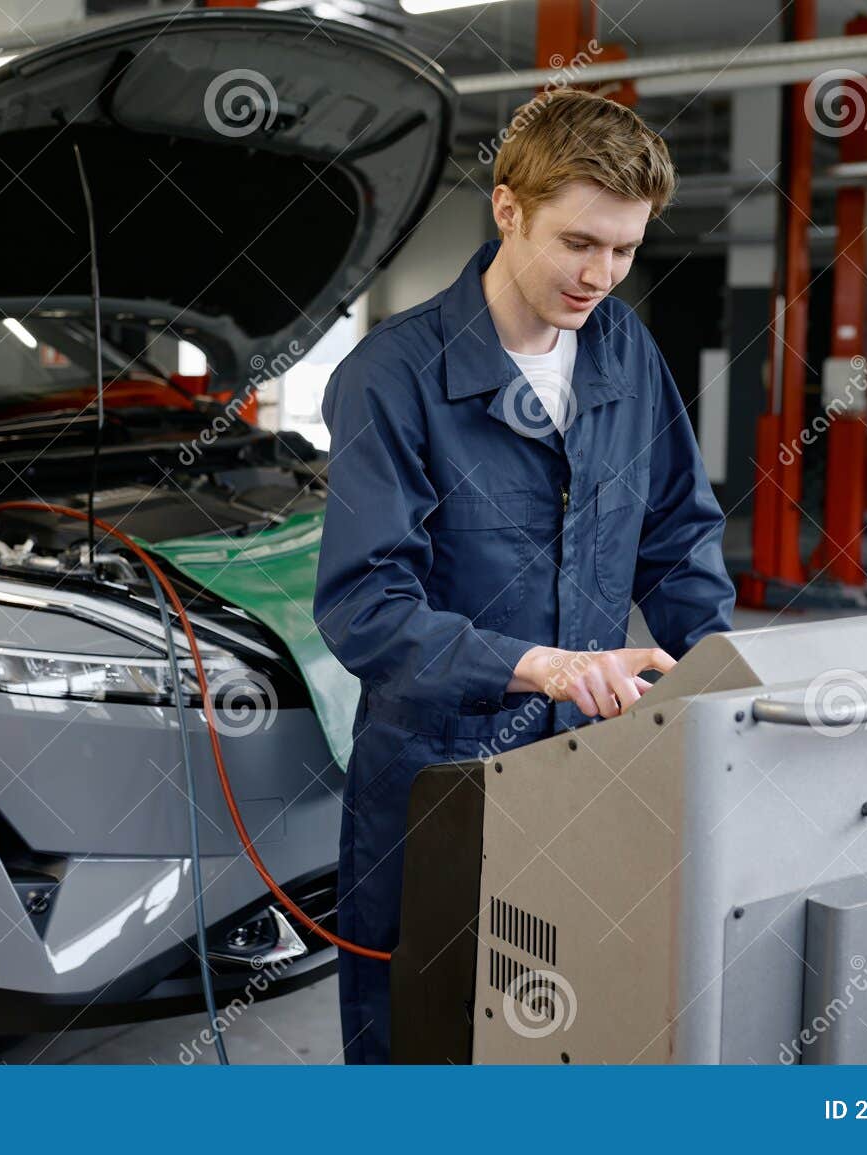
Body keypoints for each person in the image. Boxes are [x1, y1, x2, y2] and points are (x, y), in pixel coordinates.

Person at [312, 89, 735, 1064]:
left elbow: (677, 531)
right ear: (507, 210)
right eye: (578, 242)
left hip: (587, 765)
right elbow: (366, 607)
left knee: (559, 1028)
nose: (601, 275)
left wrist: (717, 676)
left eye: (624, 250)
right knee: (419, 1032)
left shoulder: (623, 348)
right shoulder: (393, 377)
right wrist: (536, 666)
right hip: (438, 776)